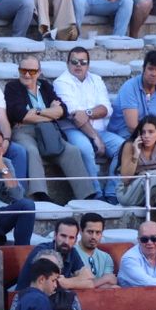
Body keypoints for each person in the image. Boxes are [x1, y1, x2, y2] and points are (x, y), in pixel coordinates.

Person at [7, 58, 95, 201]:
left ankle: (87, 195)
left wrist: (36, 111)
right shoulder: (12, 87)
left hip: (48, 130)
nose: (27, 75)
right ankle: (40, 194)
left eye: (32, 71)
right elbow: (18, 114)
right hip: (23, 130)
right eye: (23, 71)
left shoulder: (45, 86)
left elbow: (63, 111)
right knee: (31, 150)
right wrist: (51, 112)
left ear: (39, 72)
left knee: (71, 151)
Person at [55, 48, 123, 201]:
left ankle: (112, 192)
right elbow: (75, 117)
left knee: (124, 148)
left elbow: (107, 109)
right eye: (74, 62)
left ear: (88, 65)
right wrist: (95, 137)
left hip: (99, 130)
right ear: (67, 64)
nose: (78, 65)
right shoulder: (61, 82)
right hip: (73, 130)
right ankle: (95, 194)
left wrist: (87, 113)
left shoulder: (96, 80)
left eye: (83, 62)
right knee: (85, 149)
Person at [112, 50, 156, 142]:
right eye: (150, 69)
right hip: (125, 136)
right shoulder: (129, 87)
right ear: (143, 69)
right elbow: (132, 127)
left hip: (152, 136)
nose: (153, 74)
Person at [118, 115, 156, 210]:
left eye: (151, 132)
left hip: (151, 191)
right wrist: (136, 154)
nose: (146, 136)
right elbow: (125, 179)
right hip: (129, 192)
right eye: (143, 132)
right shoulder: (130, 145)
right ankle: (155, 211)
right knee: (155, 174)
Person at [9, 258, 77, 310]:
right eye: (53, 280)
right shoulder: (40, 299)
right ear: (41, 279)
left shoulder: (22, 297)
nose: (55, 285)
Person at [76, 212, 116, 280]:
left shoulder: (106, 257)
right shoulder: (72, 253)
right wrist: (102, 281)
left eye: (98, 232)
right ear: (81, 231)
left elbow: (110, 281)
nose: (94, 237)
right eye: (90, 232)